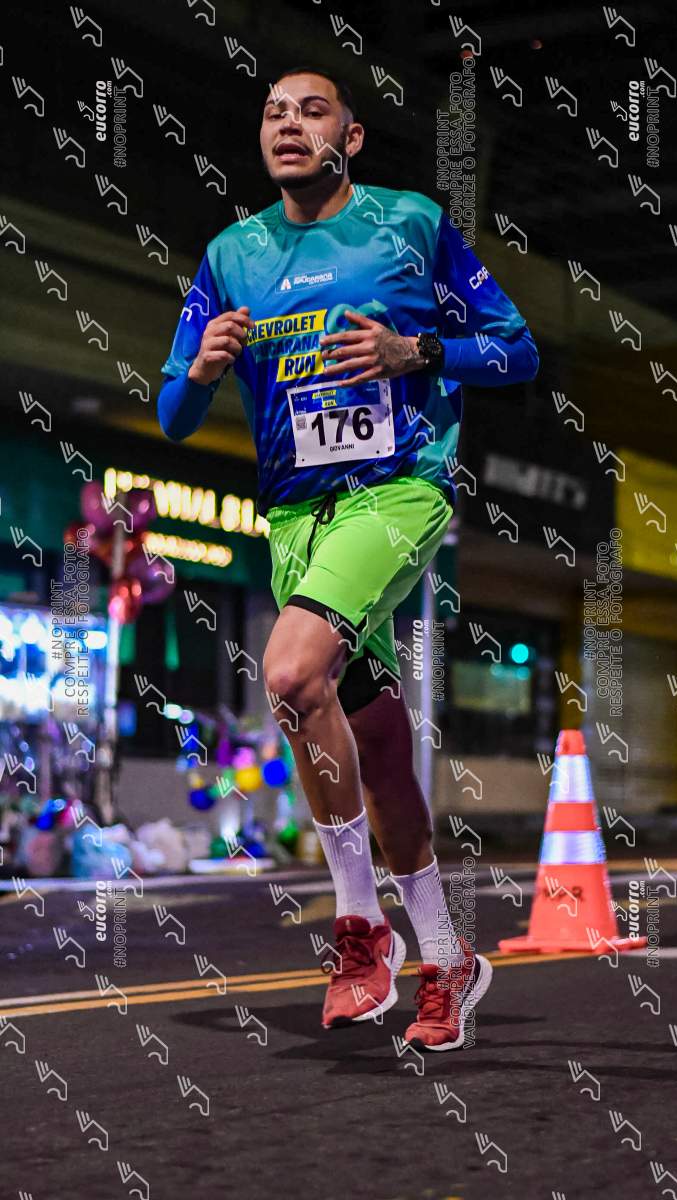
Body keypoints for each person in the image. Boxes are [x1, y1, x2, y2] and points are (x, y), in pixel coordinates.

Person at [158, 66, 539, 1051]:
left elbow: (517, 349)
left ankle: (359, 930)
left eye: (311, 110)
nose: (288, 125)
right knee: (375, 750)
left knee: (289, 671)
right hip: (296, 520)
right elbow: (173, 415)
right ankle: (446, 959)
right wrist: (199, 370)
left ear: (351, 137)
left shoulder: (409, 224)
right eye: (272, 113)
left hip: (397, 492)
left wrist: (422, 354)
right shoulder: (231, 255)